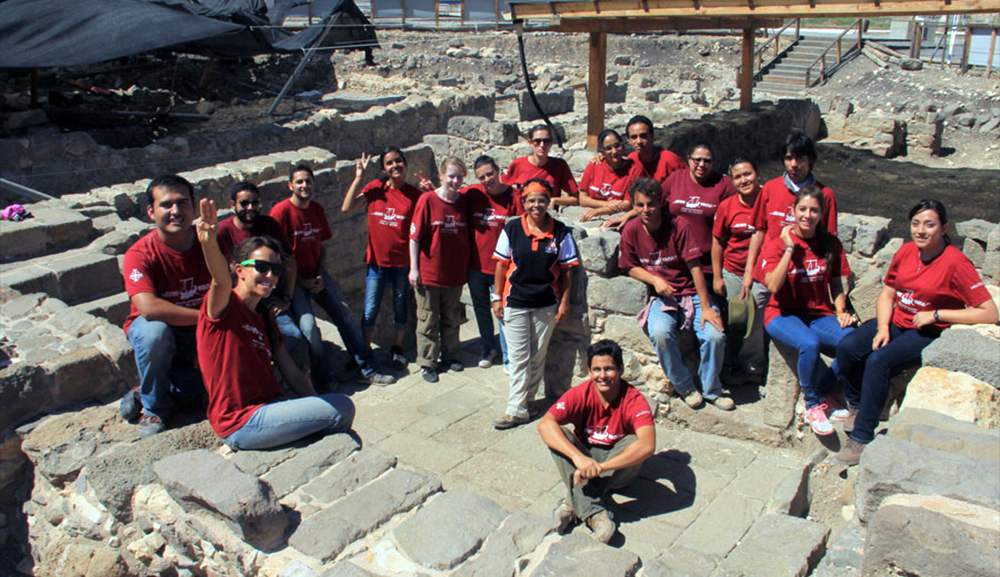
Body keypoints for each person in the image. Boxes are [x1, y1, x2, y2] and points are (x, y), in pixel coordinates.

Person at [832, 200, 997, 465]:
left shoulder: (955, 262)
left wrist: (938, 314)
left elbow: (989, 312)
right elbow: (888, 293)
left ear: (943, 229)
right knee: (848, 348)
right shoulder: (907, 251)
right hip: (897, 321)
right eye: (916, 224)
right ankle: (858, 404)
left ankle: (861, 438)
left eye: (929, 225)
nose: (921, 230)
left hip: (928, 330)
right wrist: (883, 327)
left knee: (878, 361)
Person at [194, 199, 355, 450]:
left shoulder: (265, 317)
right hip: (242, 421)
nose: (271, 276)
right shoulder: (224, 309)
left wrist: (315, 404)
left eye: (276, 269)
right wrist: (209, 244)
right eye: (262, 267)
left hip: (272, 408)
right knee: (343, 407)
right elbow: (220, 282)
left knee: (335, 410)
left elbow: (292, 373)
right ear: (240, 270)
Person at [270, 163, 394, 387]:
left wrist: (318, 275)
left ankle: (365, 367)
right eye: (299, 181)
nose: (305, 185)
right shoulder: (281, 213)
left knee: (345, 314)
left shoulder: (316, 209)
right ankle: (323, 379)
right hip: (293, 281)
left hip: (316, 275)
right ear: (290, 185)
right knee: (309, 329)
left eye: (308, 181)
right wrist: (303, 282)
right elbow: (279, 259)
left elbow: (321, 246)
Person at [619, 178, 732, 411]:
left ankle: (712, 389)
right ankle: (686, 387)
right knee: (659, 333)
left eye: (650, 204)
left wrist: (706, 306)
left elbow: (695, 267)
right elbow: (629, 266)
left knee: (715, 335)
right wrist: (654, 280)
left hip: (691, 292)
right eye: (640, 205)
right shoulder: (631, 230)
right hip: (662, 297)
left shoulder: (679, 225)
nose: (646, 210)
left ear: (660, 203)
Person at [537, 339, 655, 544]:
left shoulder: (634, 400)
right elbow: (545, 424)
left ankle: (575, 501)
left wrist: (600, 467)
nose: (602, 376)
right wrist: (579, 458)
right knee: (558, 435)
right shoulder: (580, 393)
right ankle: (594, 513)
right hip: (586, 457)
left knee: (633, 440)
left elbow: (647, 445)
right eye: (596, 370)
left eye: (608, 369)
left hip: (616, 466)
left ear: (620, 370)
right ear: (589, 372)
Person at [120, 174, 211, 437]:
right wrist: (206, 319)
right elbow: (149, 308)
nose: (176, 211)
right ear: (151, 211)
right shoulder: (139, 255)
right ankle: (154, 408)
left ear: (193, 207)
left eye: (183, 203)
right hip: (168, 328)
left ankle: (148, 391)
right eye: (166, 205)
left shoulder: (209, 242)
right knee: (154, 333)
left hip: (199, 327)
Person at [761, 185, 854, 436]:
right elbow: (772, 284)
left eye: (814, 210)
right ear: (793, 211)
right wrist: (790, 248)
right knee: (809, 344)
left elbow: (836, 283)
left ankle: (824, 390)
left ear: (822, 213)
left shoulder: (830, 244)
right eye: (802, 209)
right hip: (781, 314)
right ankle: (811, 403)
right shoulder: (776, 243)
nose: (807, 215)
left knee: (853, 344)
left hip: (818, 313)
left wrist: (842, 309)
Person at [492, 179, 579, 429]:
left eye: (541, 199)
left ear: (549, 201)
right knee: (519, 357)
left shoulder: (560, 231)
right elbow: (500, 265)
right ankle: (516, 409)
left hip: (546, 303)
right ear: (524, 202)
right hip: (515, 301)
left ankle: (528, 401)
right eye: (531, 200)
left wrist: (564, 303)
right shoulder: (512, 229)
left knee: (537, 356)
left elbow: (568, 271)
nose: (536, 205)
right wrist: (496, 297)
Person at [341, 147, 422, 370]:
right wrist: (359, 178)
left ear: (405, 163)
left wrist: (431, 190)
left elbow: (424, 223)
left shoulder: (414, 195)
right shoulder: (375, 188)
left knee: (400, 306)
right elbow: (347, 207)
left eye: (398, 161)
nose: (395, 166)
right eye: (389, 163)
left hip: (402, 263)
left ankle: (397, 349)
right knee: (370, 309)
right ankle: (365, 349)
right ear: (384, 168)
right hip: (376, 263)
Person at [745, 132, 839, 325]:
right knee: (753, 326)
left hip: (803, 275)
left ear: (810, 160)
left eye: (800, 158)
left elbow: (830, 240)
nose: (794, 164)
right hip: (768, 273)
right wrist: (748, 272)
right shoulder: (770, 189)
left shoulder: (825, 195)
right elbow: (759, 231)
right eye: (789, 158)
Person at [216, 181, 303, 358]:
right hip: (238, 300)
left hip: (267, 295)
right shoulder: (223, 231)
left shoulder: (268, 225)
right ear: (232, 205)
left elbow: (289, 261)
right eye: (244, 203)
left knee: (293, 337)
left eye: (255, 203)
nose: (251, 208)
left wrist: (286, 297)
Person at [409, 157, 471, 383]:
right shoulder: (427, 200)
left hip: (454, 274)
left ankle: (451, 356)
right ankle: (427, 362)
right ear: (442, 176)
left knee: (452, 317)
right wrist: (414, 269)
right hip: (429, 273)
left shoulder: (463, 202)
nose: (455, 181)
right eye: (451, 176)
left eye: (459, 177)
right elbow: (414, 238)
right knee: (427, 319)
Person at [711, 159, 766, 380]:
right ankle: (731, 366)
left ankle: (754, 368)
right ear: (732, 181)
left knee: (757, 322)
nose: (744, 180)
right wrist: (717, 276)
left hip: (763, 272)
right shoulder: (728, 206)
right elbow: (717, 242)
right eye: (738, 177)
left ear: (757, 173)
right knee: (737, 319)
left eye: (748, 174)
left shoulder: (768, 200)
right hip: (734, 270)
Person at [465, 155, 516, 370]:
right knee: (481, 308)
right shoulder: (473, 194)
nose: (487, 179)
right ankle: (488, 346)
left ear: (498, 171)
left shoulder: (514, 196)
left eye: (490, 174)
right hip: (476, 265)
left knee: (502, 310)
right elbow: (448, 200)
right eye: (482, 177)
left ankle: (508, 355)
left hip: (501, 267)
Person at [661, 142, 737, 278]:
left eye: (707, 161)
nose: (702, 165)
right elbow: (653, 202)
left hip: (708, 265)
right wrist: (627, 216)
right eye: (697, 160)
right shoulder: (676, 177)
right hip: (676, 261)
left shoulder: (724, 184)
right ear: (689, 159)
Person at [503, 124, 579, 210]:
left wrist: (555, 200)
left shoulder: (560, 165)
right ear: (530, 143)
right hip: (524, 214)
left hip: (548, 216)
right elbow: (501, 189)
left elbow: (576, 198)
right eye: (537, 141)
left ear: (551, 143)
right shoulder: (518, 164)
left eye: (546, 141)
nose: (542, 145)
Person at [579, 128, 646, 222]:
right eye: (608, 148)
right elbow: (582, 199)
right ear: (601, 151)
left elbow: (627, 204)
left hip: (617, 217)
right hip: (589, 214)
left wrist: (598, 211)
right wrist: (607, 204)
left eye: (617, 146)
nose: (614, 151)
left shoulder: (634, 170)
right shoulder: (595, 164)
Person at [624, 115, 686, 183]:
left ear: (652, 136)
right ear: (629, 141)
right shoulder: (631, 160)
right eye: (634, 137)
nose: (639, 141)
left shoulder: (671, 160)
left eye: (643, 136)